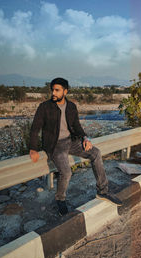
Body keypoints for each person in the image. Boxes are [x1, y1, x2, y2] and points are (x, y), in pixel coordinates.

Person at [29, 77, 122, 216]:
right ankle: (60, 199)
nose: (53, 93)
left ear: (65, 91)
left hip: (71, 141)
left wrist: (85, 138)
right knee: (66, 172)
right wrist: (33, 148)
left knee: (96, 153)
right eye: (52, 90)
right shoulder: (45, 107)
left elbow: (77, 125)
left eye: (57, 90)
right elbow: (35, 128)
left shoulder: (71, 106)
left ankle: (103, 191)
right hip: (55, 145)